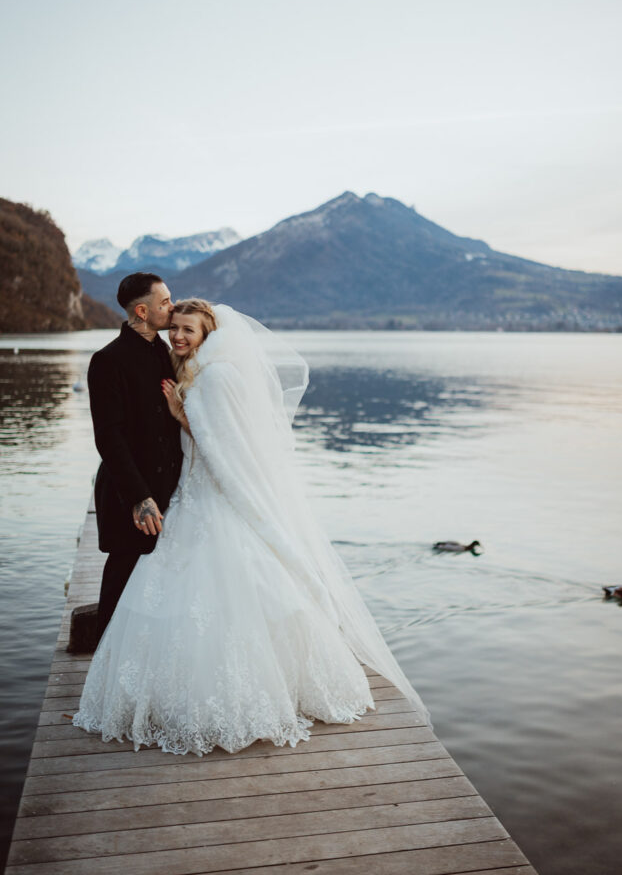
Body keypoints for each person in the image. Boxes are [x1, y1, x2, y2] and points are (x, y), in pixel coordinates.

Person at [74, 300, 430, 756]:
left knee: (232, 594)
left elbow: (226, 450)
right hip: (188, 498)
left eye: (189, 330)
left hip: (213, 499)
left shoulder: (217, 376)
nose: (178, 336)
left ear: (208, 335)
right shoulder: (193, 371)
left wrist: (183, 415)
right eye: (175, 328)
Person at [87, 272, 182, 643]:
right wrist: (139, 497)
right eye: (164, 303)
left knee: (159, 580)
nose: (171, 308)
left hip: (171, 485)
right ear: (142, 312)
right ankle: (102, 669)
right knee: (122, 577)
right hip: (131, 490)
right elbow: (108, 436)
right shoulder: (108, 360)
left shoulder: (166, 350)